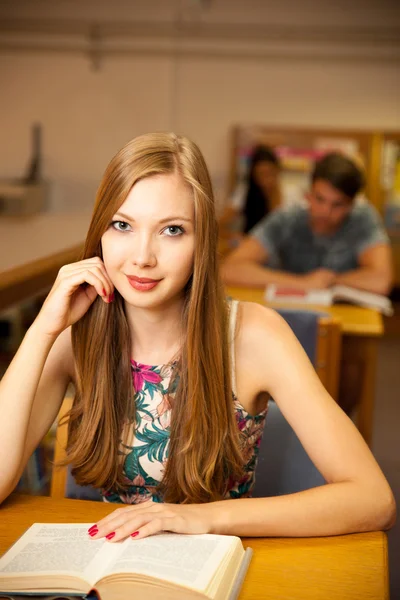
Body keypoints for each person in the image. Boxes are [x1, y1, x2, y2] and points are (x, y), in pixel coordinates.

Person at [0, 133, 395, 542]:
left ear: (201, 240)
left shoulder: (254, 335)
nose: (142, 257)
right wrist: (41, 331)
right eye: (122, 225)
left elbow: (372, 498)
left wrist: (204, 518)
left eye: (171, 230)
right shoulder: (76, 335)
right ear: (99, 231)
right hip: (110, 570)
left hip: (215, 571)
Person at [221, 152, 393, 295]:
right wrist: (302, 283)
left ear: (351, 205)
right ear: (309, 193)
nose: (325, 212)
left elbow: (381, 280)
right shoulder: (288, 218)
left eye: (337, 205)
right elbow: (230, 269)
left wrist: (330, 280)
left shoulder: (363, 219)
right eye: (319, 199)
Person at [219, 145, 302, 239]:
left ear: (278, 170)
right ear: (254, 175)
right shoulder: (246, 191)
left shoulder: (292, 194)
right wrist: (234, 236)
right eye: (261, 174)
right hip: (252, 244)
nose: (266, 180)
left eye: (270, 173)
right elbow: (222, 222)